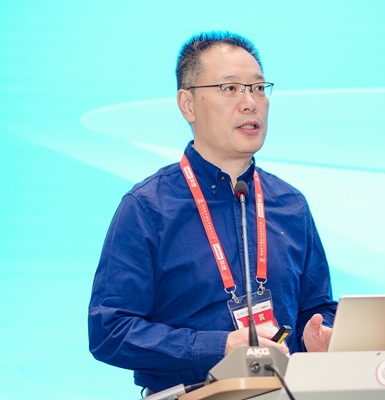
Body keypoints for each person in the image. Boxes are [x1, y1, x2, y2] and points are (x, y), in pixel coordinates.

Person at [88, 31, 337, 394]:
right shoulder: (147, 207)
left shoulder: (290, 204)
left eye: (258, 88)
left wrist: (317, 336)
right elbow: (109, 330)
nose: (250, 103)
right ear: (187, 104)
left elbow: (317, 307)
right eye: (230, 88)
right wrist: (219, 347)